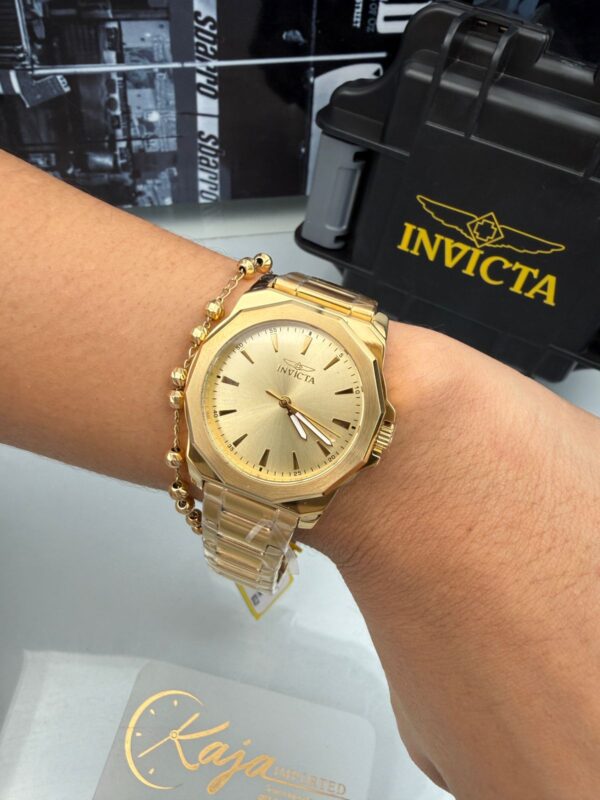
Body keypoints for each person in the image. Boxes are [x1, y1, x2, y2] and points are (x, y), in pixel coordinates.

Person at [0, 149, 598, 799]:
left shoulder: (354, 435)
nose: (288, 403)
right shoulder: (251, 370)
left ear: (375, 440)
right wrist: (433, 450)